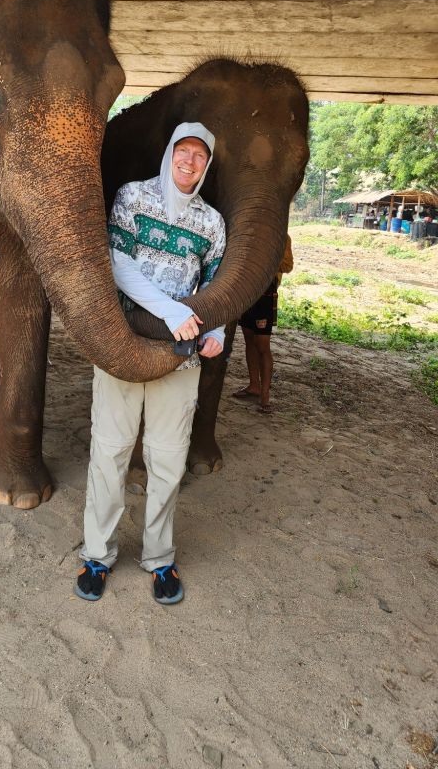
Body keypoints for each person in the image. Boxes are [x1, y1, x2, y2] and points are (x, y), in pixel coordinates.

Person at [76, 123, 226, 606]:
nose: (190, 161)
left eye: (200, 156)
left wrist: (217, 331)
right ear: (169, 154)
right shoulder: (133, 197)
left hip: (180, 360)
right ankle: (97, 555)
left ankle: (160, 558)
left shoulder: (212, 222)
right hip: (123, 345)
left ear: (207, 165)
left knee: (168, 458)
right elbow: (118, 264)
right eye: (183, 151)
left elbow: (218, 285)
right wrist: (172, 312)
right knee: (110, 451)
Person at [231, 235, 293, 414]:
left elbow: (288, 266)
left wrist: (264, 259)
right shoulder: (249, 233)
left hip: (265, 293)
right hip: (246, 291)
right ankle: (254, 386)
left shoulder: (281, 236)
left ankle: (265, 396)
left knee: (262, 345)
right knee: (249, 341)